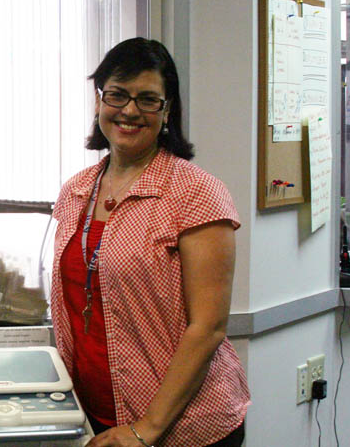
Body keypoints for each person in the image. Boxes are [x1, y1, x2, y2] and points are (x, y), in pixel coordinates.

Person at [51, 38, 250, 447]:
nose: (129, 111)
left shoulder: (196, 193)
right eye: (117, 95)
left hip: (182, 427)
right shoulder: (75, 191)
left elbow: (208, 327)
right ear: (98, 100)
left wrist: (147, 430)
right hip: (97, 418)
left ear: (167, 110)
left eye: (147, 99)